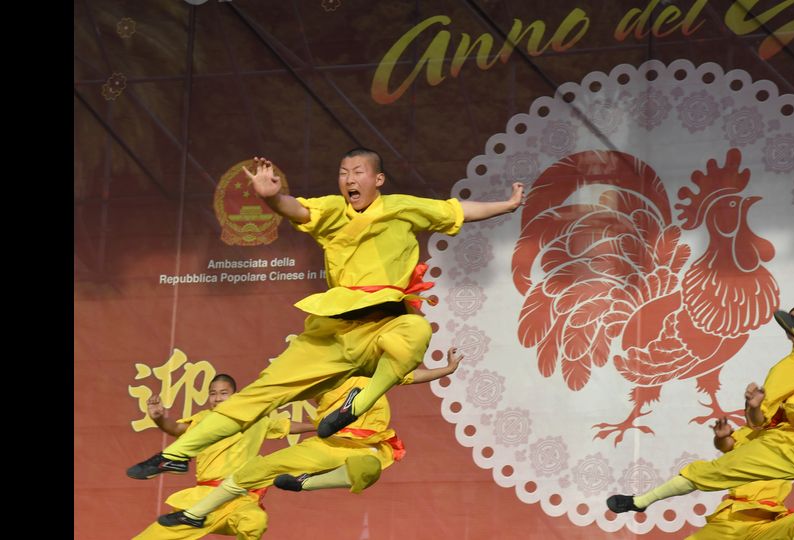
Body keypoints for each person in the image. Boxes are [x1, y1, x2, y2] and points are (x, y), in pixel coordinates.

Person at [128, 147, 523, 480]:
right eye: (343, 173)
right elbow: (296, 210)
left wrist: (506, 205)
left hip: (383, 324)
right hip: (332, 334)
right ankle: (176, 455)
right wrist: (272, 198)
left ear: (378, 179)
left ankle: (359, 403)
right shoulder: (333, 210)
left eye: (358, 172)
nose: (349, 179)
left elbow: (456, 211)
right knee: (257, 396)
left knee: (416, 332)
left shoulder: (403, 207)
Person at [607, 304, 794, 540]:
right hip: (783, 446)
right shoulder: (786, 369)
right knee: (709, 473)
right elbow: (756, 423)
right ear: (790, 333)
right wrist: (753, 407)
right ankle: (640, 501)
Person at [156, 347, 463, 529]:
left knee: (368, 469)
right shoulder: (321, 377)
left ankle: (305, 482)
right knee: (260, 468)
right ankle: (194, 514)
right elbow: (280, 393)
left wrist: (447, 368)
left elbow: (411, 375)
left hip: (367, 445)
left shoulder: (374, 372)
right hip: (327, 442)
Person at [133, 373, 315, 539]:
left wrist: (320, 426)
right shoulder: (204, 419)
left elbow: (287, 426)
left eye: (223, 393)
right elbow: (175, 429)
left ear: (235, 396)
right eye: (213, 394)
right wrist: (158, 418)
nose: (217, 398)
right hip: (203, 501)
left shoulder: (254, 419)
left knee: (255, 521)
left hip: (238, 500)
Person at [685, 417, 794, 540]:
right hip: (731, 522)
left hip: (766, 525)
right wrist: (722, 437)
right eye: (749, 409)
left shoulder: (787, 438)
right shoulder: (747, 435)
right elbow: (726, 444)